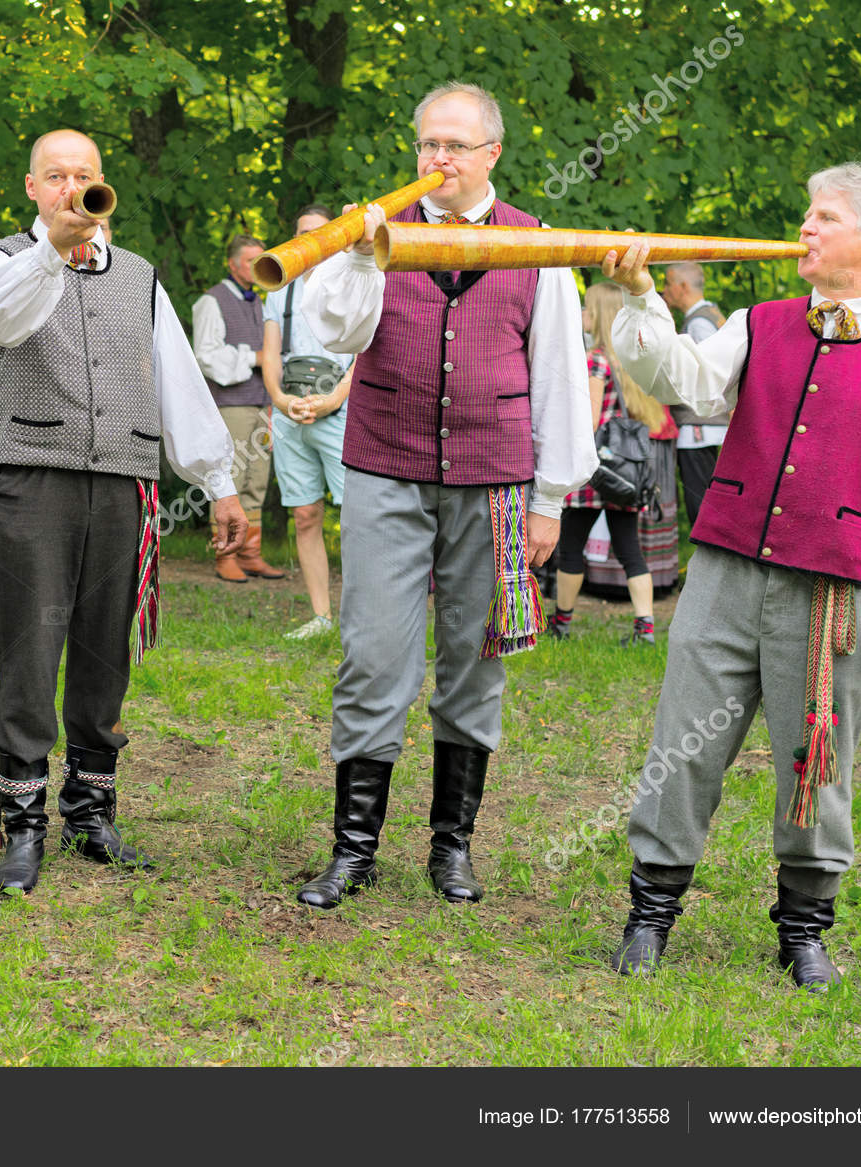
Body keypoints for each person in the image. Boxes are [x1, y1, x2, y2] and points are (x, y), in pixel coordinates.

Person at [602, 162, 861, 990]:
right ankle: (650, 913)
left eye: (822, 217)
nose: (804, 228)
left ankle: (803, 930)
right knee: (683, 746)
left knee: (815, 762)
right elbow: (684, 386)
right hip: (726, 570)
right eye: (806, 214)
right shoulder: (760, 322)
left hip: (833, 592)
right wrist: (641, 297)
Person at [297, 82, 595, 909]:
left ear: (492, 153)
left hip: (494, 478)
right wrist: (361, 251)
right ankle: (353, 849)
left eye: (457, 146)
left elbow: (561, 377)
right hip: (384, 466)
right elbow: (332, 333)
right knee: (372, 658)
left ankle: (451, 848)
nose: (439, 159)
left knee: (474, 662)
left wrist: (551, 496)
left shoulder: (538, 243)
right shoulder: (379, 231)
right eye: (429, 144)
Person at [0, 128, 243, 895]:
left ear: (103, 181)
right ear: (31, 187)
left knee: (103, 650)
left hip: (124, 479)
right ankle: (20, 816)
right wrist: (51, 250)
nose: (69, 186)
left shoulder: (141, 275)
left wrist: (218, 479)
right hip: (35, 476)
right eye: (55, 175)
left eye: (82, 174)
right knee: (31, 647)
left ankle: (90, 806)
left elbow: (177, 377)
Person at [547, 282, 662, 645]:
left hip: (596, 470)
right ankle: (645, 629)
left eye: (586, 308)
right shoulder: (633, 359)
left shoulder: (595, 359)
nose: (581, 314)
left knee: (570, 547)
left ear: (598, 315)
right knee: (630, 550)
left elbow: (591, 419)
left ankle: (561, 624)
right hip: (624, 472)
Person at [259, 203, 353, 639]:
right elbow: (270, 352)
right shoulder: (281, 287)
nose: (309, 239)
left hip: (343, 408)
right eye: (301, 232)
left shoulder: (356, 280)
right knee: (305, 515)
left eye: (318, 232)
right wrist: (278, 400)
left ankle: (362, 615)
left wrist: (334, 399)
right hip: (291, 413)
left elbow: (368, 353)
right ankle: (321, 617)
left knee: (357, 515)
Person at [192, 234, 284, 582]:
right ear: (232, 264)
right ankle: (225, 556)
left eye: (261, 260)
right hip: (230, 406)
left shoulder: (261, 303)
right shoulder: (211, 301)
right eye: (249, 261)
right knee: (230, 481)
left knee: (256, 483)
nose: (256, 267)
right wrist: (254, 357)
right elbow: (206, 356)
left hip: (262, 404)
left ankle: (251, 554)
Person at [659, 261, 729, 528]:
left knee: (700, 508)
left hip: (700, 427)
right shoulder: (713, 315)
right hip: (710, 425)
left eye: (667, 283)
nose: (665, 291)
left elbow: (708, 375)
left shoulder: (699, 324)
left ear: (683, 286)